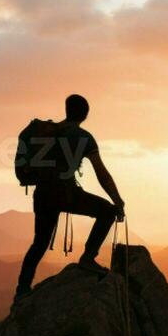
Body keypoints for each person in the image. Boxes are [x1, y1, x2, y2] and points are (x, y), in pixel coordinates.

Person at [14, 94, 125, 304]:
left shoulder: (46, 132)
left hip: (43, 194)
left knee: (39, 243)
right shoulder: (83, 138)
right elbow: (102, 174)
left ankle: (21, 290)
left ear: (67, 110)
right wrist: (117, 200)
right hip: (66, 193)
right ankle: (88, 258)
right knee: (107, 211)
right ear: (85, 114)